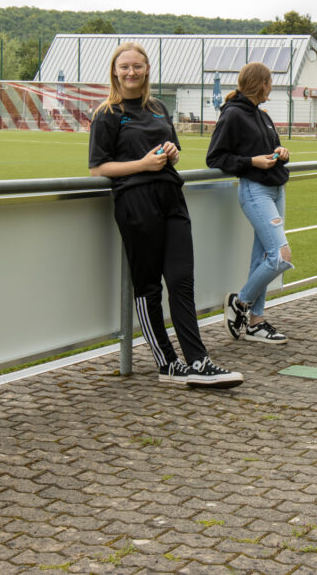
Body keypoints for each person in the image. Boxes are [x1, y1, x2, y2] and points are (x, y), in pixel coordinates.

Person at [88, 42, 243, 388]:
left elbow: (170, 150)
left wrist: (171, 153)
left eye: (137, 66)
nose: (131, 72)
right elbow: (98, 168)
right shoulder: (106, 114)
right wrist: (141, 165)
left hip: (172, 197)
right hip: (135, 201)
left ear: (146, 70)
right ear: (115, 71)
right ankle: (167, 363)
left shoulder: (158, 107)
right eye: (124, 67)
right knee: (148, 285)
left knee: (181, 281)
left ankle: (199, 361)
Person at [206, 62, 293, 344]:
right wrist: (251, 162)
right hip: (256, 191)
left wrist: (281, 152)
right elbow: (215, 158)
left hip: (275, 189)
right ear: (261, 84)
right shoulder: (232, 115)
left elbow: (271, 149)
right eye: (270, 83)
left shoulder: (262, 115)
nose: (272, 88)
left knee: (263, 258)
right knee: (281, 256)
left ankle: (256, 322)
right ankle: (240, 303)